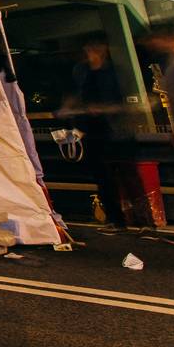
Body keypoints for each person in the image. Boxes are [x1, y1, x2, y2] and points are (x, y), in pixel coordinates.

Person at [63, 38, 128, 232]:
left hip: (108, 127)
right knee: (102, 175)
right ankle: (115, 217)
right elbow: (75, 94)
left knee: (111, 174)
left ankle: (121, 217)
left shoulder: (111, 72)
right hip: (89, 128)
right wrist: (70, 108)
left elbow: (118, 101)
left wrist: (103, 109)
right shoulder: (82, 71)